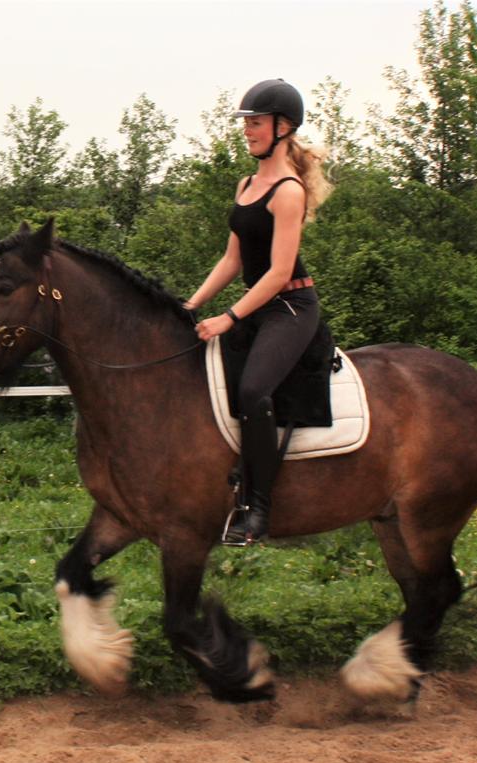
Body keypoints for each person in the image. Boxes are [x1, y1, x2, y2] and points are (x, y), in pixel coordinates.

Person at [183, 78, 332, 546]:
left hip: (290, 305)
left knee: (252, 391)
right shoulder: (246, 184)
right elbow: (233, 260)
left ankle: (256, 509)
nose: (247, 130)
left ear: (283, 127)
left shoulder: (288, 191)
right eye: (246, 122)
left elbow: (277, 272)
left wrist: (228, 318)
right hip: (258, 303)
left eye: (256, 122)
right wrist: (188, 306)